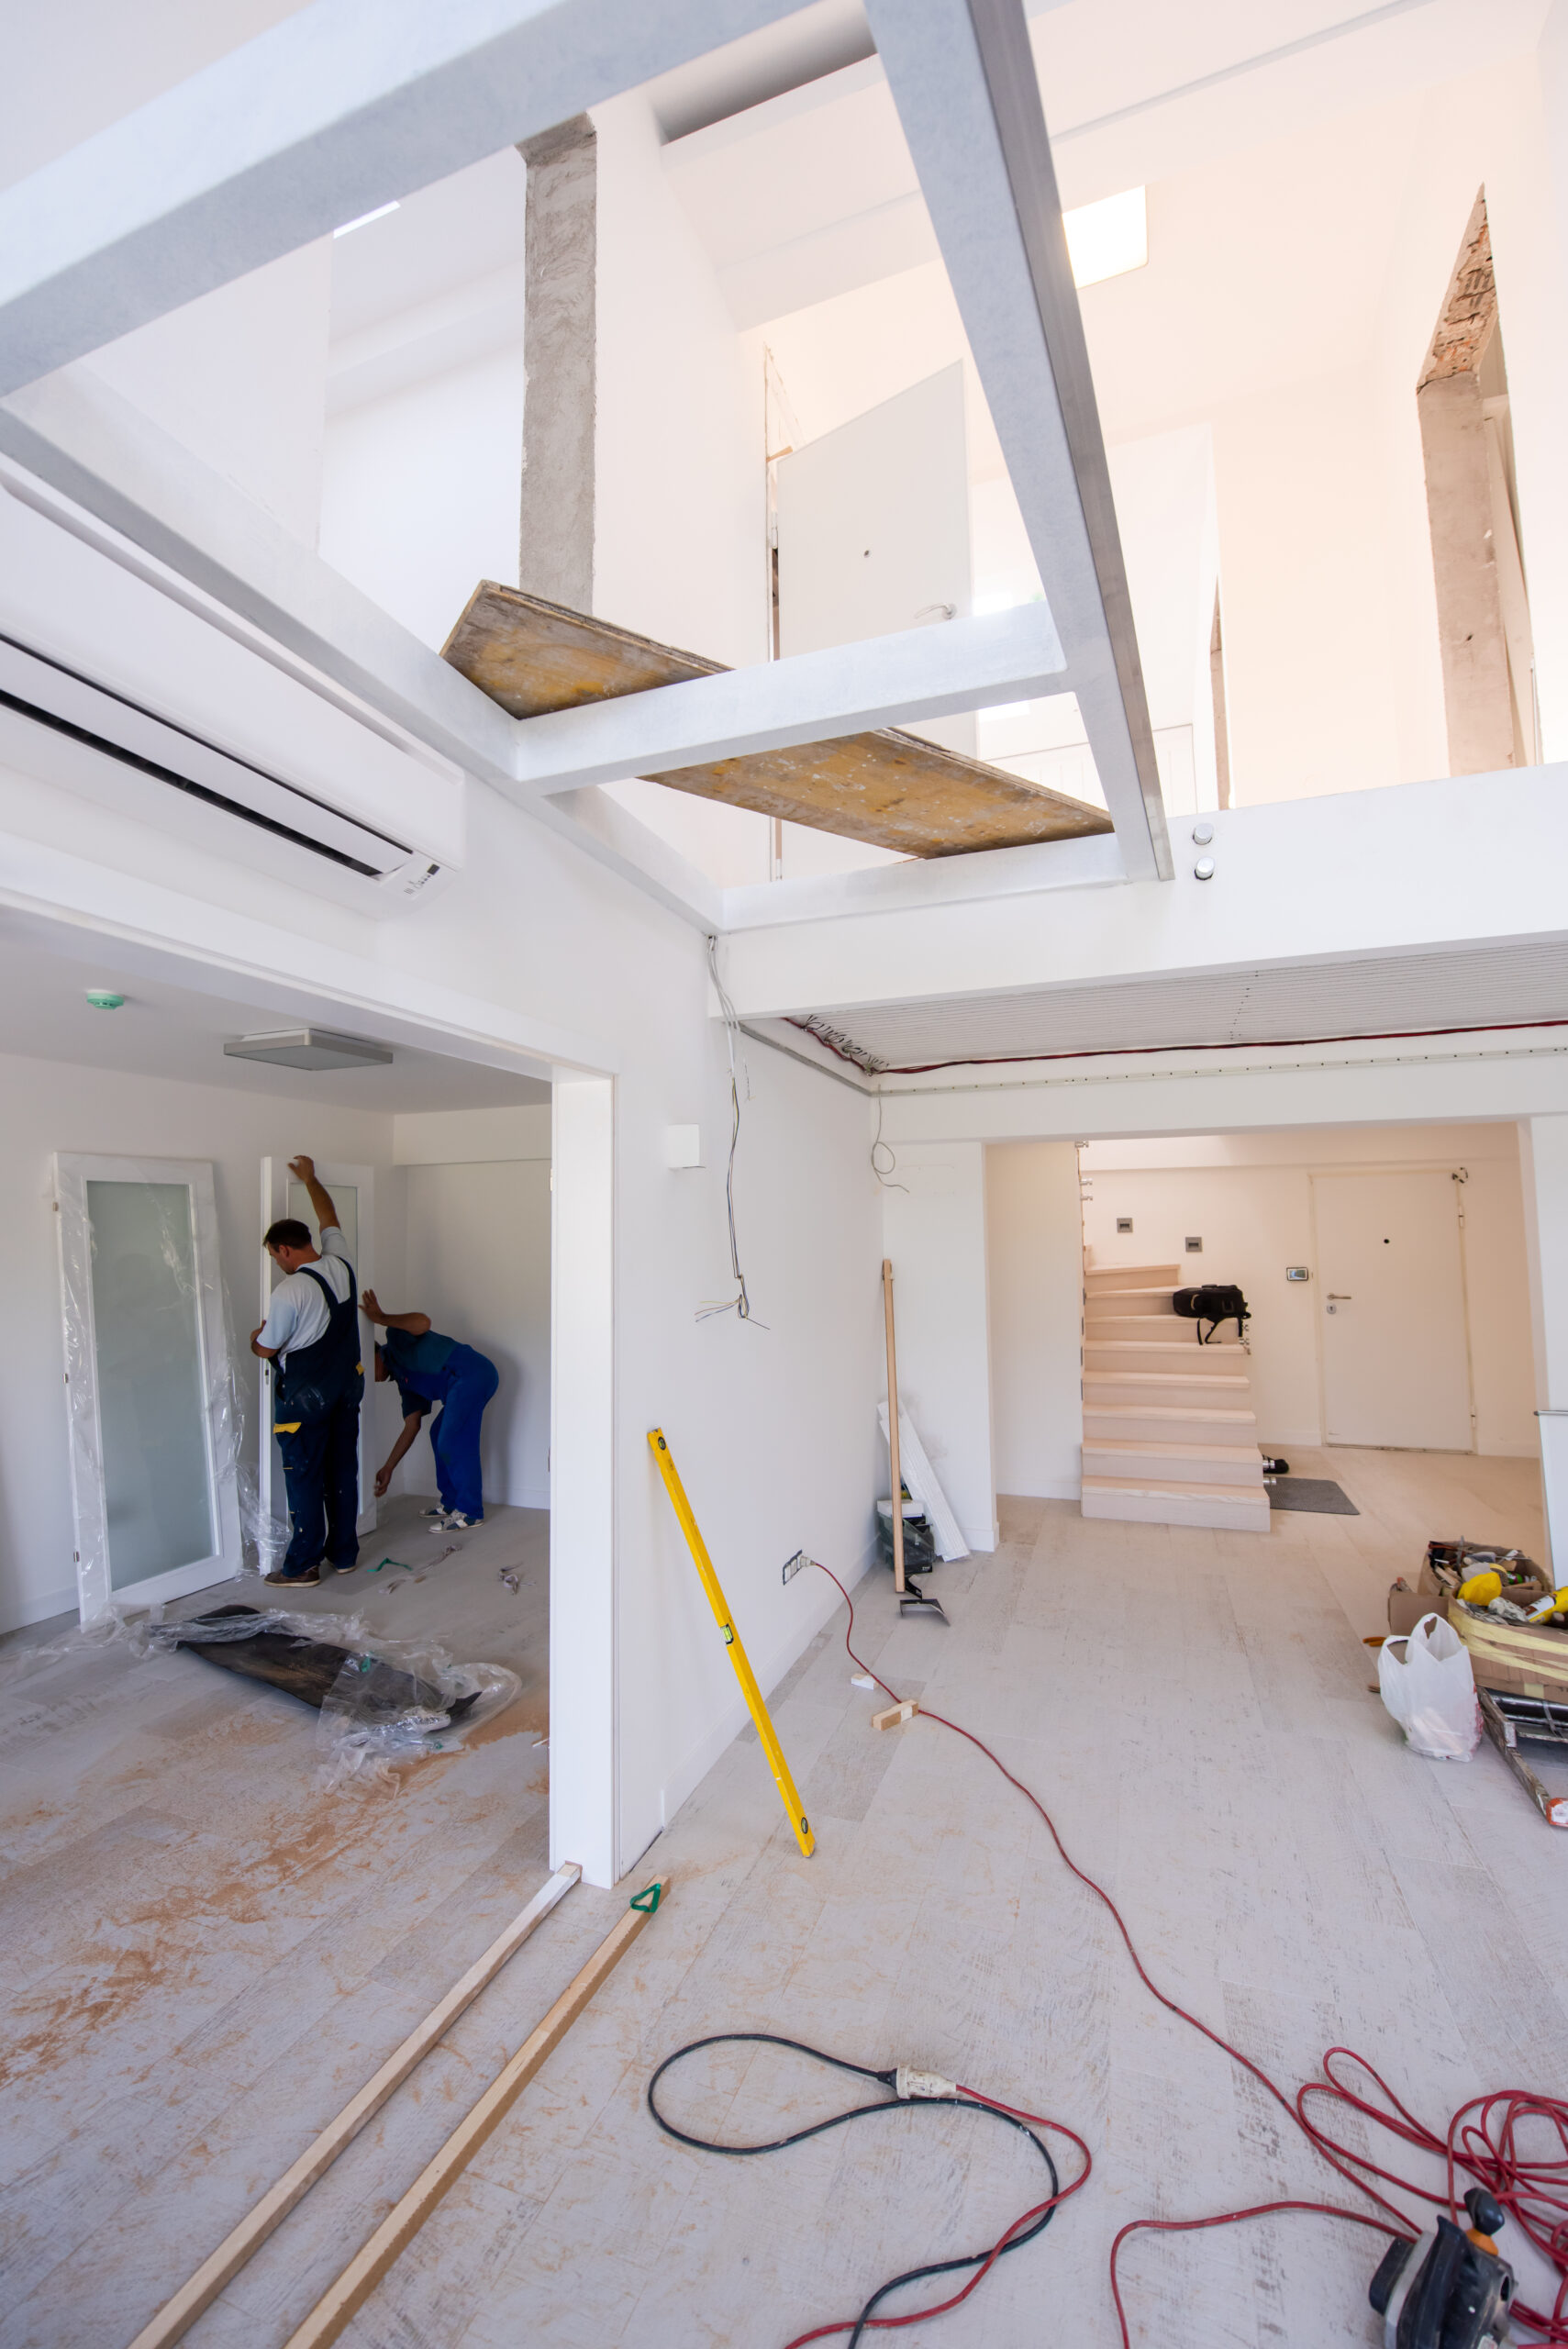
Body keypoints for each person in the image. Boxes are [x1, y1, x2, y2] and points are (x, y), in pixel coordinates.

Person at [250, 1157, 363, 1586]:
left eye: (275, 1255)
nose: (277, 1262)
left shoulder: (290, 1288)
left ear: (284, 1249)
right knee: (341, 1472)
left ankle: (302, 1566)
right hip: (345, 1391)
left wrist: (254, 1338)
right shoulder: (343, 1263)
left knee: (304, 1479)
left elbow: (266, 1348)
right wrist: (311, 1180)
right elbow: (329, 1217)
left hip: (304, 1399)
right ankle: (345, 1553)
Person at [361, 1290, 499, 1530]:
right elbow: (411, 1426)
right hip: (462, 1384)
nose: (368, 1378)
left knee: (452, 1438)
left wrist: (382, 1318)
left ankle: (470, 1511)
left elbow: (423, 1322)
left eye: (365, 1367)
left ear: (375, 1354)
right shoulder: (404, 1382)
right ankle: (450, 1502)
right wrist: (388, 1467)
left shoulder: (396, 1340)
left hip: (473, 1373)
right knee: (438, 1433)